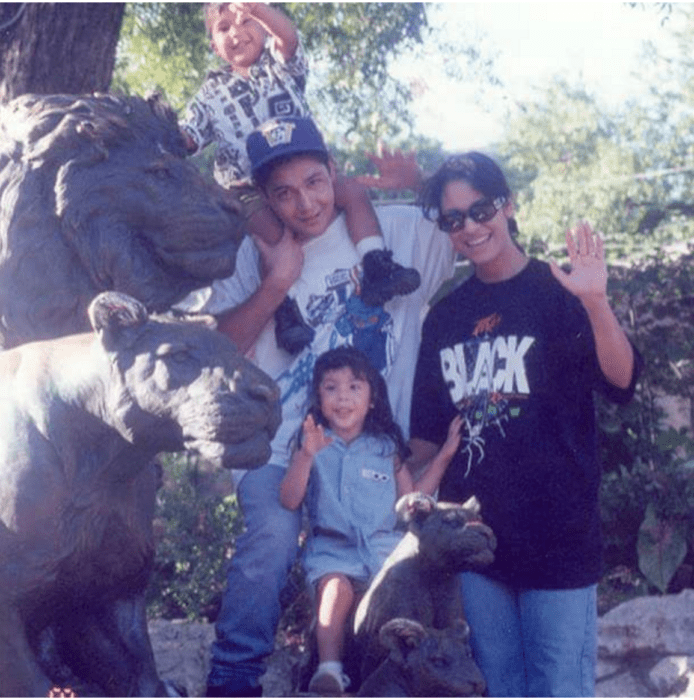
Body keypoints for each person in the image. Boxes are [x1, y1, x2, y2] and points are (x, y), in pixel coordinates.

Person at [177, 116, 454, 697]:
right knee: (272, 541)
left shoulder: (394, 230)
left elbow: (485, 233)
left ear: (334, 172)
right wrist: (277, 282)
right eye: (284, 192)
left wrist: (424, 182)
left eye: (314, 181)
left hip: (370, 451)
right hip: (280, 444)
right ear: (265, 198)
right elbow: (218, 349)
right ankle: (233, 680)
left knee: (379, 564)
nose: (304, 203)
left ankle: (357, 669)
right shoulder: (249, 256)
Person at [406, 151, 643, 697]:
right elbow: (425, 437)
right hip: (476, 547)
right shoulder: (443, 318)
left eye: (480, 209)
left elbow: (622, 381)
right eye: (453, 219)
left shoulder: (559, 293)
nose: (470, 226)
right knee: (497, 688)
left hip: (558, 538)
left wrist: (596, 302)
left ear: (508, 206)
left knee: (560, 688)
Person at [181, 3, 420, 354]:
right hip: (249, 188)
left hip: (304, 168)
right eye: (223, 28)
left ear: (263, 26)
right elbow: (187, 137)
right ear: (213, 45)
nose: (236, 32)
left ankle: (376, 263)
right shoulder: (208, 95)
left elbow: (289, 37)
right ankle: (287, 310)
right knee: (273, 238)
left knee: (352, 191)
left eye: (246, 21)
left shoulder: (281, 67)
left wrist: (257, 8)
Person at [279, 346, 463, 695]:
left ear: (372, 398)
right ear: (318, 398)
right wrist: (306, 456)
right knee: (336, 588)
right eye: (331, 388)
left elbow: (410, 502)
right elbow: (288, 499)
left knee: (405, 594)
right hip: (334, 551)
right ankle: (329, 671)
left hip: (382, 552)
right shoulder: (312, 444)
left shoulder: (385, 447)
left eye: (354, 387)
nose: (343, 397)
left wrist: (444, 456)